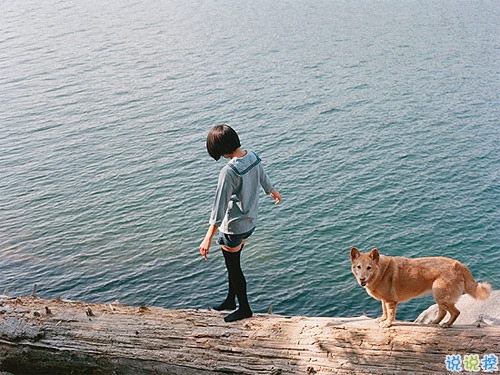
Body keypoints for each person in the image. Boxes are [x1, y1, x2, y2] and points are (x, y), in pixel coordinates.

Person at [199, 124, 282, 322]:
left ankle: (244, 308)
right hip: (250, 224)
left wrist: (207, 238)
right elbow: (262, 176)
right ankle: (230, 300)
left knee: (234, 269)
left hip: (234, 228)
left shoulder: (229, 172)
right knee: (232, 265)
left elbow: (218, 207)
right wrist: (272, 191)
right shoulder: (252, 155)